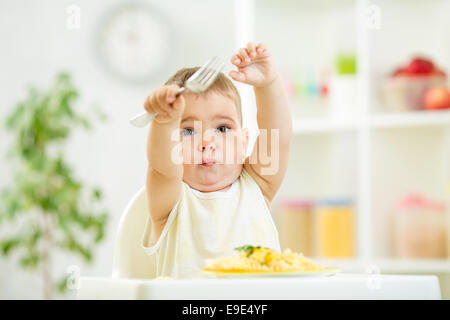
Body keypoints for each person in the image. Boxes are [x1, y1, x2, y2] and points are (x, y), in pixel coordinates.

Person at [141, 42, 292, 278]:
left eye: (222, 128)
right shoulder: (170, 201)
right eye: (188, 131)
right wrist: (163, 122)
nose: (206, 142)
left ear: (244, 142)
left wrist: (268, 85)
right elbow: (162, 167)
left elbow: (278, 137)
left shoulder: (257, 187)